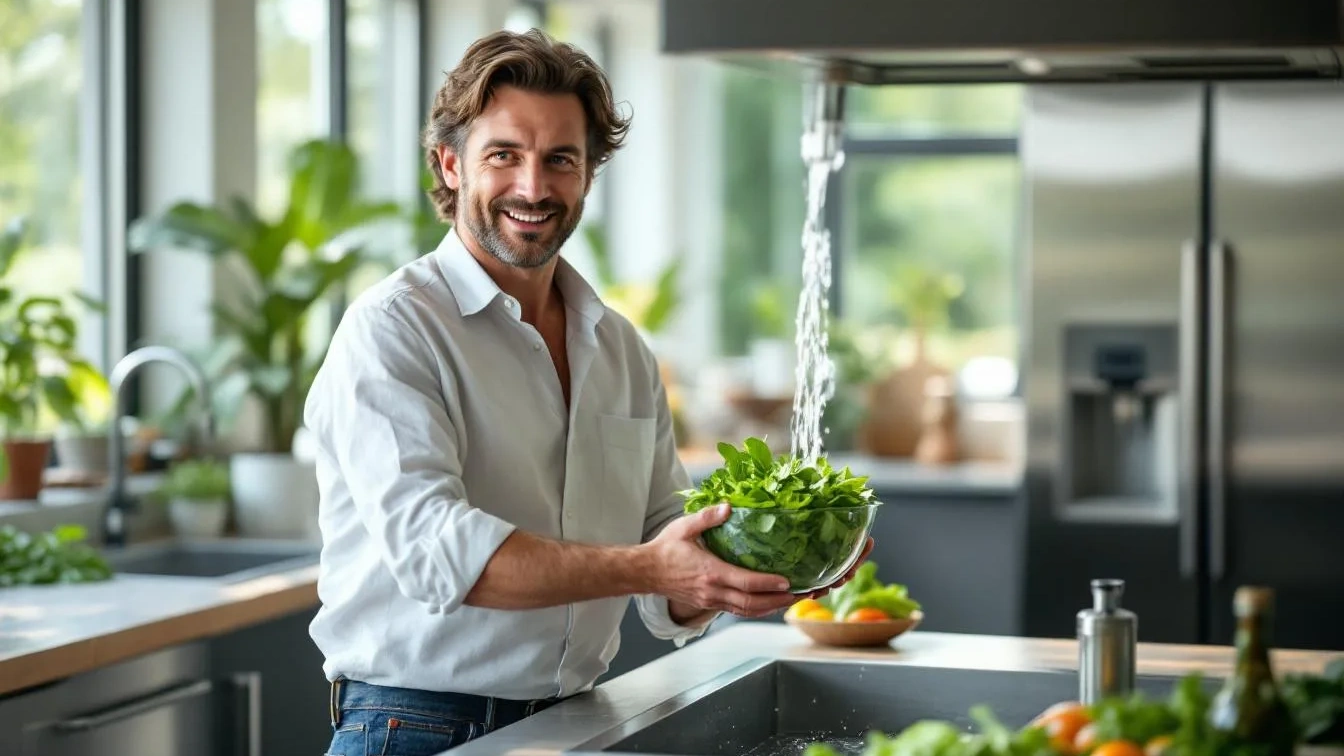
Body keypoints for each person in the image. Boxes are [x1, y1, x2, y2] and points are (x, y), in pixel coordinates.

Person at [304, 28, 872, 755]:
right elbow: (439, 553)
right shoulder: (393, 330)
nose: (533, 188)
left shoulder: (622, 350)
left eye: (560, 160)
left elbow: (667, 549)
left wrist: (755, 567)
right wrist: (651, 565)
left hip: (575, 722)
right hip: (413, 728)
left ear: (588, 177)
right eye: (503, 155)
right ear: (451, 165)